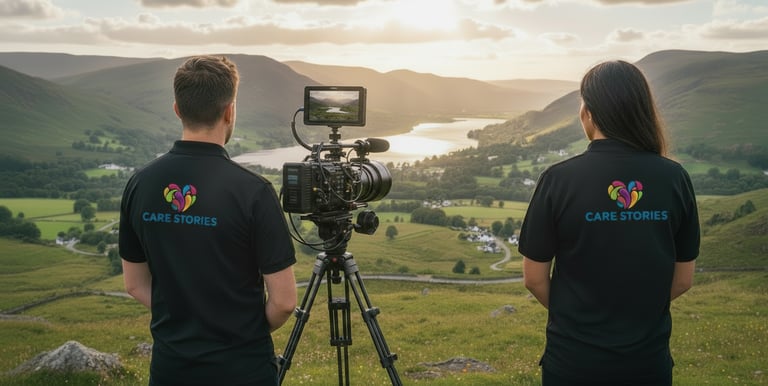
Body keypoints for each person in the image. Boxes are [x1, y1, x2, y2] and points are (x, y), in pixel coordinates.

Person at [518, 60, 700, 386]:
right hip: (647, 364)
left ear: (588, 112)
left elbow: (534, 278)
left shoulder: (559, 179)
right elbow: (683, 280)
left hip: (572, 362)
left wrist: (575, 318)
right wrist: (638, 315)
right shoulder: (675, 178)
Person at [119, 55, 297, 386]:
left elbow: (134, 284)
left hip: (171, 369)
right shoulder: (253, 191)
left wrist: (184, 319)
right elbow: (284, 302)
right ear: (229, 111)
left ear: (177, 109)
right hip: (243, 371)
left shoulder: (140, 183)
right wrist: (242, 331)